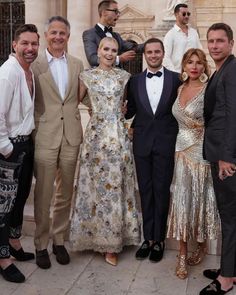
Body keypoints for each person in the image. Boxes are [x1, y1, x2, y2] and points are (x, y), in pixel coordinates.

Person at [70, 37, 140, 266]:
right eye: (106, 49)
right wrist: (92, 108)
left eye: (114, 50)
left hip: (118, 137)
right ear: (98, 51)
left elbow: (123, 104)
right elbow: (77, 100)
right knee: (94, 187)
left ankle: (113, 242)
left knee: (116, 185)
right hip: (96, 139)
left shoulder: (123, 76)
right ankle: (92, 236)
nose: (110, 53)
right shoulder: (86, 76)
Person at [32, 16, 85, 269]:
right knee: (43, 192)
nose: (58, 37)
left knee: (66, 192)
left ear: (68, 36)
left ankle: (59, 240)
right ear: (46, 35)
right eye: (53, 33)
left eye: (62, 33)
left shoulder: (77, 64)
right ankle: (41, 244)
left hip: (71, 135)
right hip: (44, 135)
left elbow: (82, 97)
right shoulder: (35, 65)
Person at [125, 38, 181, 263]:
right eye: (149, 52)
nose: (154, 55)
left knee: (161, 190)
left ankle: (159, 240)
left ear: (163, 53)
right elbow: (130, 112)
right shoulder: (134, 81)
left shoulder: (177, 79)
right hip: (142, 144)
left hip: (166, 143)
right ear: (144, 55)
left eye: (157, 51)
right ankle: (147, 239)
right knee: (146, 191)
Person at [166, 48, 219, 280]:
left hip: (202, 152)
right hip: (181, 152)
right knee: (182, 202)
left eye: (198, 62)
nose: (194, 66)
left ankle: (202, 245)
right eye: (190, 62)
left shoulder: (209, 90)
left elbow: (216, 120)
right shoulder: (179, 89)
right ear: (184, 66)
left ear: (203, 66)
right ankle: (182, 254)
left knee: (200, 200)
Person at [0, 24, 39, 283]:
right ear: (15, 44)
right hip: (9, 147)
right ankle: (3, 258)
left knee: (20, 197)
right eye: (25, 43)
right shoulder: (8, 73)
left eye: (34, 44)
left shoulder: (29, 72)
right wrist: (6, 147)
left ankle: (14, 242)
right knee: (3, 204)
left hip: (26, 144)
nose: (30, 48)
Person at [200, 23, 236, 295]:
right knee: (230, 215)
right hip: (220, 151)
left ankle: (226, 278)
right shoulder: (221, 70)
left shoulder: (232, 70)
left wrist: (226, 157)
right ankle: (230, 268)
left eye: (220, 41)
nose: (214, 46)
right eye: (210, 41)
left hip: (226, 156)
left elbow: (233, 116)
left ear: (231, 43)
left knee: (230, 216)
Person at [83, 0, 143, 67]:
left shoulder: (116, 35)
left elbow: (135, 48)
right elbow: (93, 59)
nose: (118, 15)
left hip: (118, 76)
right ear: (104, 12)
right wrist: (119, 59)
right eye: (115, 11)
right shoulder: (90, 34)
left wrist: (153, 43)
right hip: (100, 76)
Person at [163, 3, 202, 72]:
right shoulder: (170, 35)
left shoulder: (194, 32)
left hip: (194, 73)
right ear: (176, 15)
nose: (186, 16)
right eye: (184, 14)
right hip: (178, 74)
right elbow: (166, 57)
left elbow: (200, 52)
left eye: (188, 14)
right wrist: (175, 73)